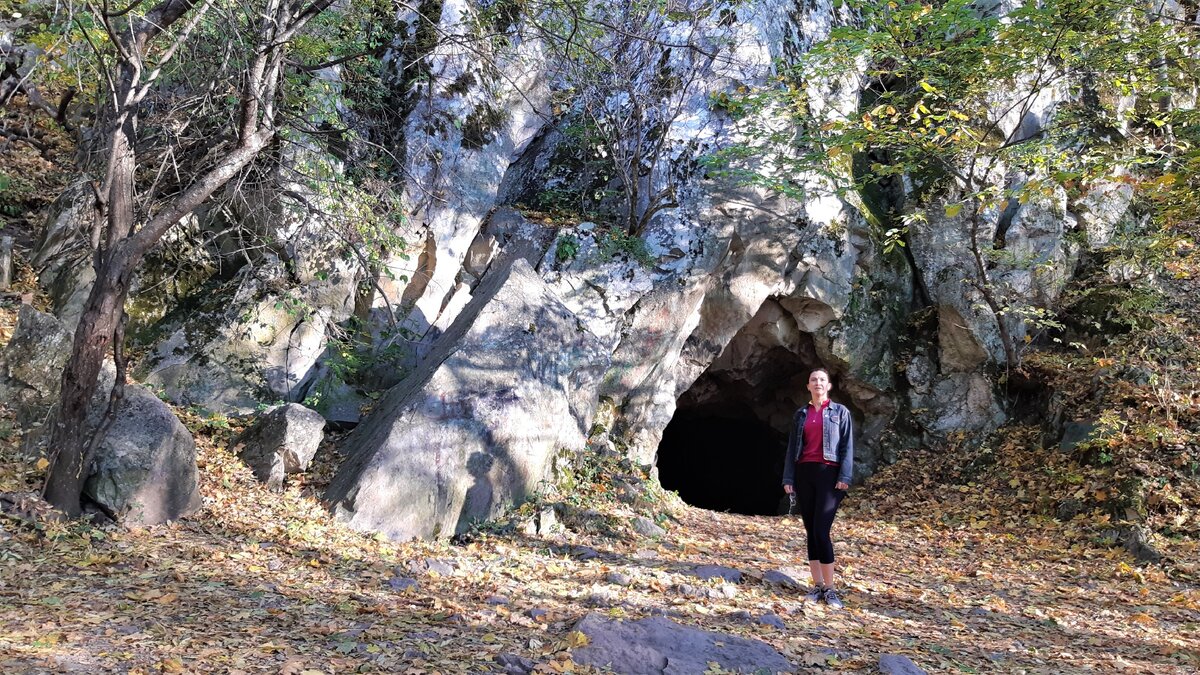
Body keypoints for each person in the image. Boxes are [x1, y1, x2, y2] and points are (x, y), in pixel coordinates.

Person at [781, 368, 854, 609]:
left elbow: (847, 446)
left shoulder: (840, 412)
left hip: (829, 474)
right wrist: (789, 477)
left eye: (822, 380)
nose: (818, 383)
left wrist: (844, 475)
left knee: (822, 531)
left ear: (829, 386)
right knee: (811, 531)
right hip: (805, 473)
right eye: (813, 380)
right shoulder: (801, 414)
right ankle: (817, 586)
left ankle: (830, 588)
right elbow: (793, 448)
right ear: (808, 386)